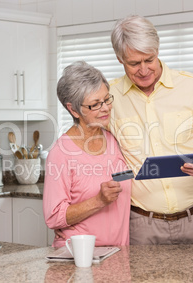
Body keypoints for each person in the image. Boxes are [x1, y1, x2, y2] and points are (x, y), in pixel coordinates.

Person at [108, 15, 193, 245]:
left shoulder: (192, 87)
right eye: (134, 63)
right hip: (141, 224)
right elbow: (106, 160)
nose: (144, 70)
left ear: (157, 49)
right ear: (120, 59)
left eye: (149, 59)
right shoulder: (110, 97)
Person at [43, 61, 131, 248]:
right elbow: (53, 217)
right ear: (73, 110)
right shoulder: (61, 154)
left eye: (107, 99)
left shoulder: (114, 140)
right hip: (78, 256)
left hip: (118, 255)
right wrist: (98, 201)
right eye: (95, 105)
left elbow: (126, 177)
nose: (106, 108)